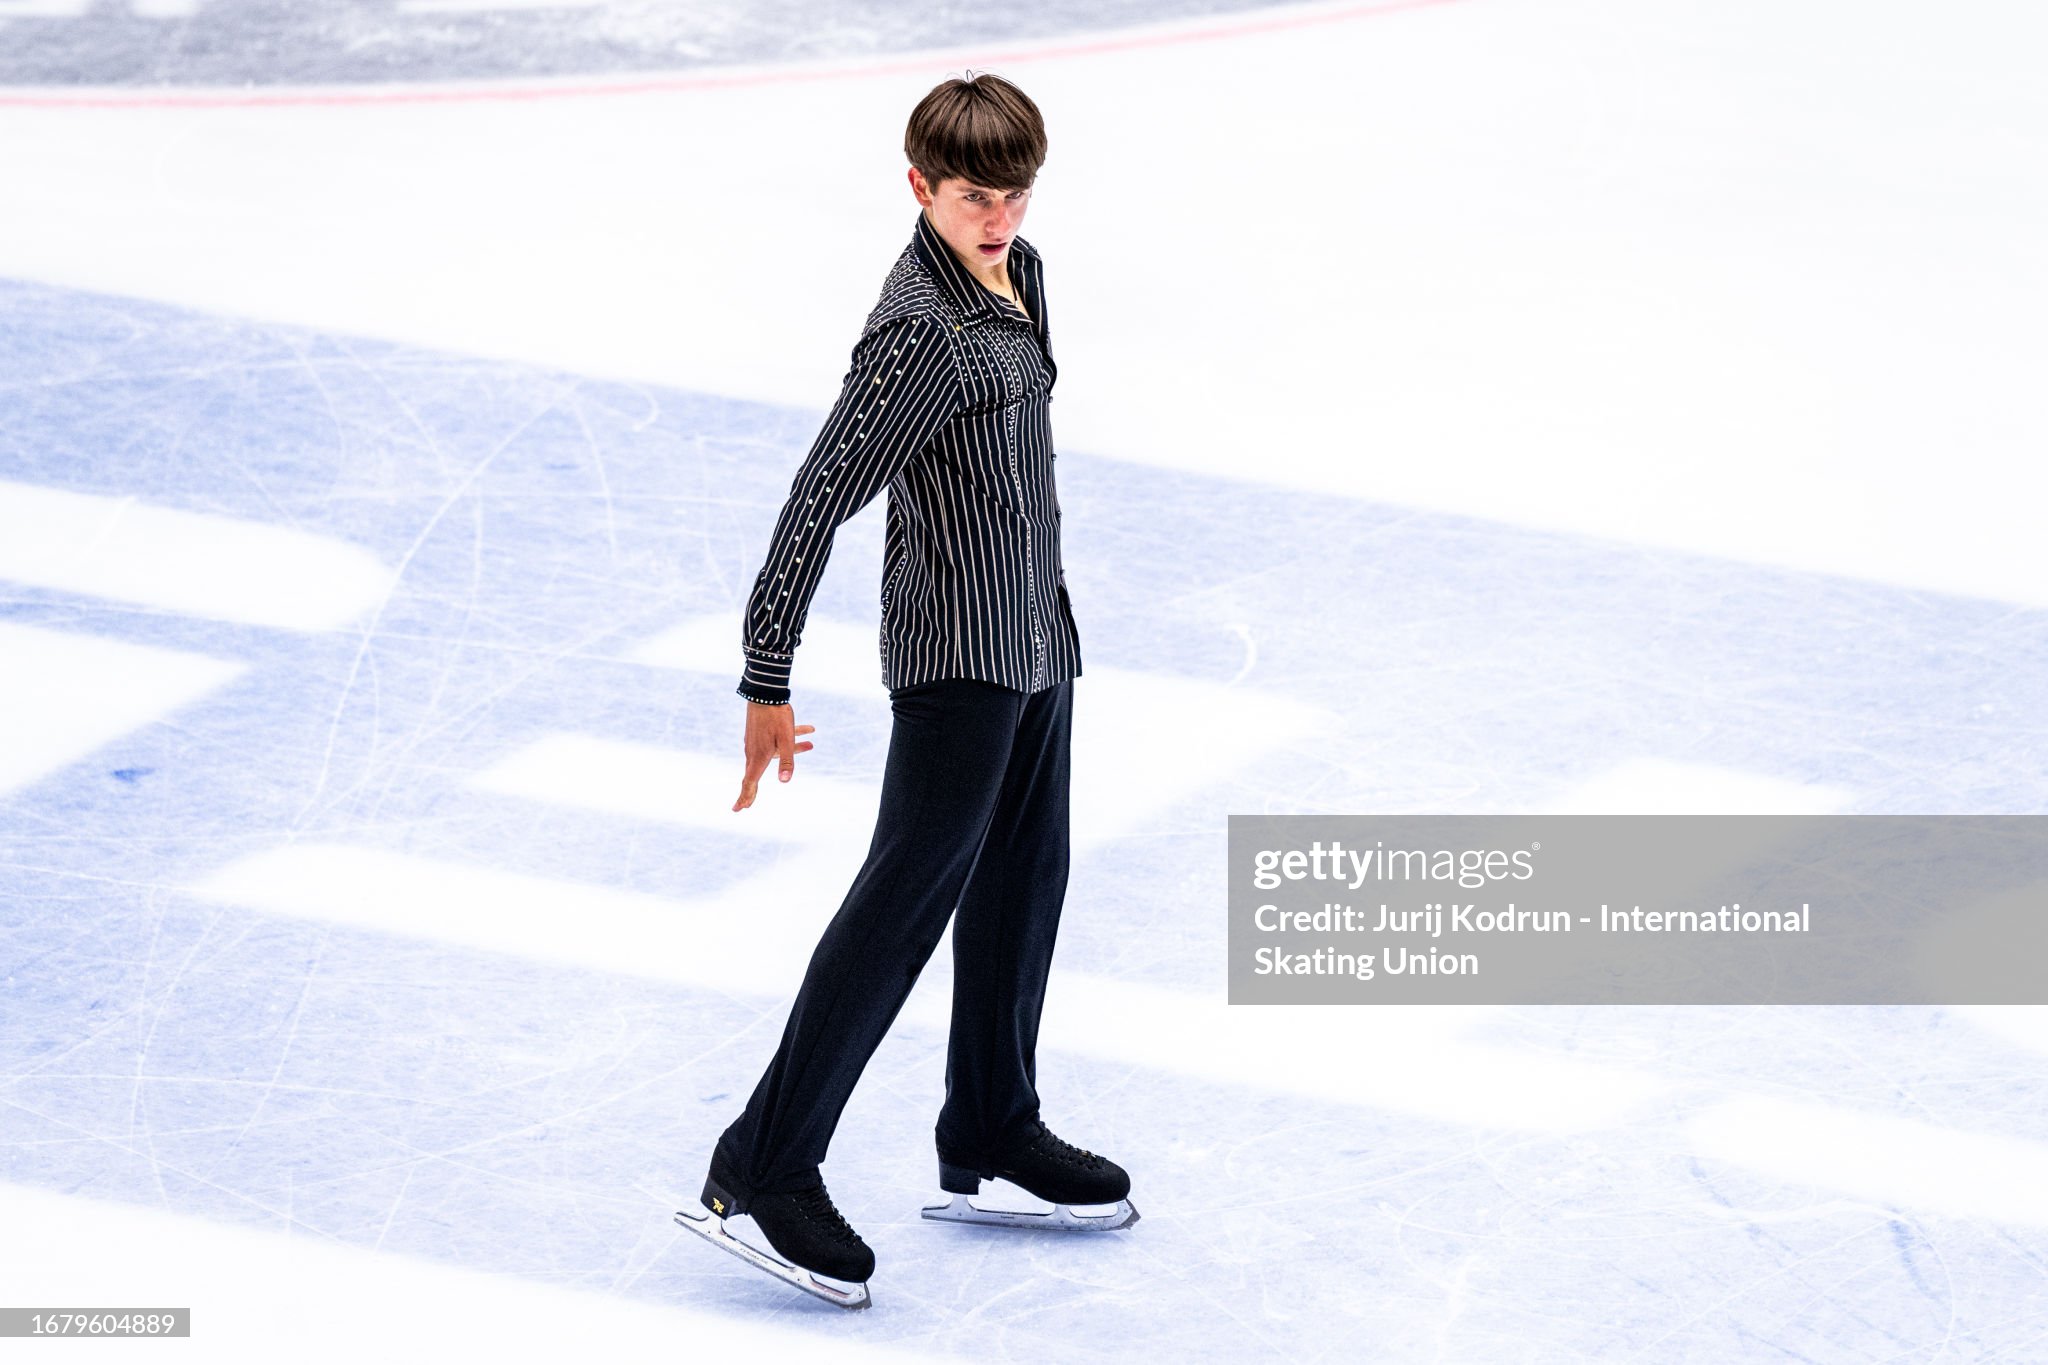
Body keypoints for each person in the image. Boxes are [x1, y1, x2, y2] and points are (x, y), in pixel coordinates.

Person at [673, 70, 1137, 1312]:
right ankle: (762, 1162)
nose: (998, 218)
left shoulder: (1021, 272)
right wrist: (766, 673)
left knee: (1025, 881)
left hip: (1035, 640)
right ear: (919, 185)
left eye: (1015, 194)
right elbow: (820, 493)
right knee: (898, 908)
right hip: (954, 660)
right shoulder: (918, 335)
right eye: (974, 196)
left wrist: (1049, 631)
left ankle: (990, 1120)